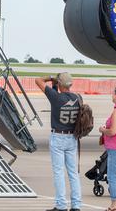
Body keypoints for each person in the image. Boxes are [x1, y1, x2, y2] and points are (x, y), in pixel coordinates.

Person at [35, 72, 83, 211]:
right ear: (71, 84)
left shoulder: (55, 97)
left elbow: (38, 80)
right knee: (73, 173)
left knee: (59, 173)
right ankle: (76, 205)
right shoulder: (78, 98)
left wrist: (50, 78)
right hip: (72, 138)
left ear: (60, 85)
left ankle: (61, 205)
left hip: (58, 137)